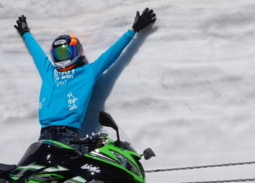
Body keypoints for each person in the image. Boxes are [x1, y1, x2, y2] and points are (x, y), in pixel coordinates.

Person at [13, 8, 157, 144]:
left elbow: (110, 55)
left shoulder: (87, 72)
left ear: (76, 51)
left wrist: (133, 30)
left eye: (65, 53)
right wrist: (26, 33)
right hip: (44, 136)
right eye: (58, 54)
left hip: (67, 134)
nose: (62, 58)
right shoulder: (49, 72)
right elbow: (37, 54)